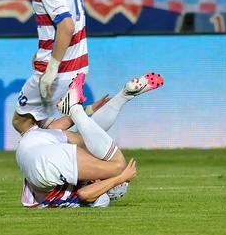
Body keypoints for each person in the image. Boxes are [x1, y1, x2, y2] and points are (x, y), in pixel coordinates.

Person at [17, 72, 164, 208]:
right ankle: (81, 108)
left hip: (33, 147)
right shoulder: (97, 186)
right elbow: (84, 194)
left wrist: (120, 177)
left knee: (108, 157)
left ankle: (111, 100)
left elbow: (84, 194)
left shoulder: (98, 190)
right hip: (34, 160)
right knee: (102, 153)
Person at [12, 0, 89, 134]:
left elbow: (66, 25)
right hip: (79, 64)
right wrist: (44, 51)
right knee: (52, 127)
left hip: (59, 71)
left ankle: (91, 146)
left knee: (21, 122)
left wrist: (51, 68)